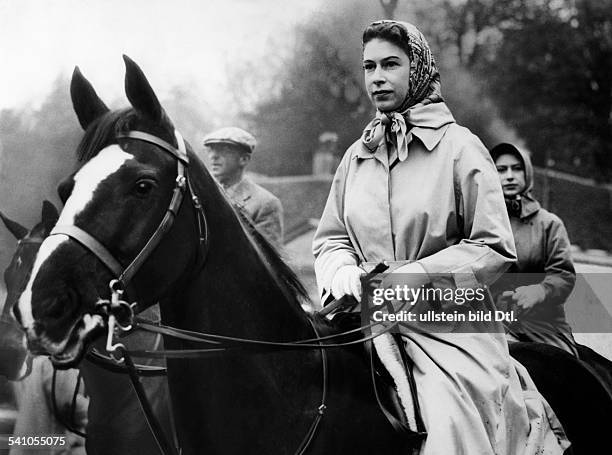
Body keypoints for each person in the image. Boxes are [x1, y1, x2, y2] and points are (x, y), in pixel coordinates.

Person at [313, 20, 569, 454]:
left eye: (391, 64)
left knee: (452, 422)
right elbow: (331, 236)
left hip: (448, 318)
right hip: (363, 314)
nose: (377, 76)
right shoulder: (356, 156)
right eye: (369, 66)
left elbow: (493, 247)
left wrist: (410, 279)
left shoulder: (461, 147)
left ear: (417, 68)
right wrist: (339, 269)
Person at [490, 143, 578, 356]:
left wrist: (539, 292)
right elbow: (468, 271)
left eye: (517, 168)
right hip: (490, 322)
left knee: (563, 370)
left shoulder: (549, 224)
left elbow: (563, 275)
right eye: (501, 170)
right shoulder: (482, 222)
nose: (509, 176)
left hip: (541, 324)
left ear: (527, 173)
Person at [202, 127, 283, 246]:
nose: (213, 156)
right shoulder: (200, 193)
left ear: (244, 159)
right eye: (211, 150)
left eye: (224, 150)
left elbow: (268, 259)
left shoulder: (266, 204)